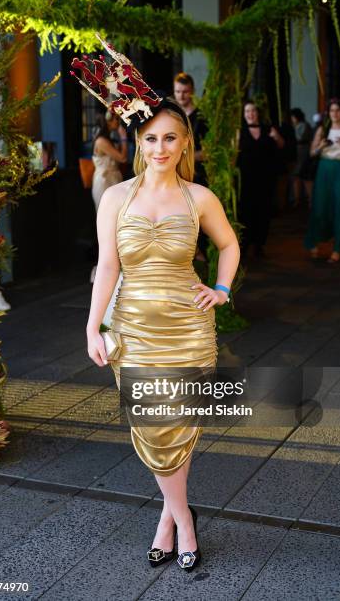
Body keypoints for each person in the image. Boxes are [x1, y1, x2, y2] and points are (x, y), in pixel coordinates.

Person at [86, 97, 240, 571]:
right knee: (153, 428)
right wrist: (94, 325)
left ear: (185, 142)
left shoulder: (199, 197)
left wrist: (221, 288)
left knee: (179, 426)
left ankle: (173, 522)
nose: (160, 147)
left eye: (170, 137)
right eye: (151, 138)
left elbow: (229, 244)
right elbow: (108, 266)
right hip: (133, 330)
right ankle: (180, 515)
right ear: (138, 141)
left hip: (189, 329)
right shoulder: (115, 198)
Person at [304, 98, 340, 263]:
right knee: (320, 207)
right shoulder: (323, 129)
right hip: (324, 169)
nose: (335, 113)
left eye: (338, 110)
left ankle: (337, 249)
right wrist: (321, 146)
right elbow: (312, 153)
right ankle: (314, 243)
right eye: (332, 110)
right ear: (328, 113)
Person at [237, 101, 284, 258]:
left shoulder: (268, 129)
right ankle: (244, 245)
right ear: (244, 115)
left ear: (258, 113)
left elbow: (281, 146)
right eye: (247, 111)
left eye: (253, 111)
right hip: (246, 179)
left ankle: (259, 244)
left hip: (265, 179)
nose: (250, 114)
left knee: (263, 211)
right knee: (245, 211)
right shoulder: (240, 131)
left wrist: (276, 137)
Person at [174, 72, 209, 262]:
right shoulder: (173, 115)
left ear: (192, 92)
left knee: (197, 215)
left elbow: (208, 151)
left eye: (185, 92)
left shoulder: (202, 117)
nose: (181, 96)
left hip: (197, 174)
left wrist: (183, 157)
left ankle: (199, 252)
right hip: (175, 174)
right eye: (178, 91)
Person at [90, 112, 127, 283]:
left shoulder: (106, 139)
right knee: (107, 225)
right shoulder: (101, 141)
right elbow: (122, 157)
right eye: (115, 119)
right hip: (104, 183)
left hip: (112, 181)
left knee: (117, 224)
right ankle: (101, 268)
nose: (118, 122)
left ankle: (113, 266)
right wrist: (124, 138)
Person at [290, 108, 313, 207]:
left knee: (305, 176)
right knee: (297, 176)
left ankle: (309, 199)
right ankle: (297, 199)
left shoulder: (303, 125)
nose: (292, 119)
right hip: (298, 151)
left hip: (303, 150)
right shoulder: (298, 125)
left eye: (293, 117)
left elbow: (300, 137)